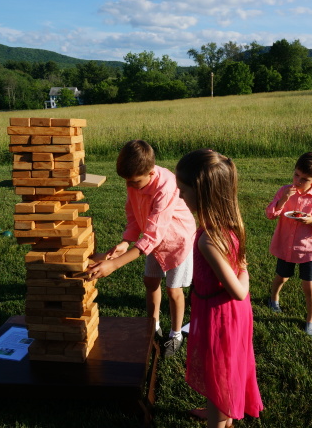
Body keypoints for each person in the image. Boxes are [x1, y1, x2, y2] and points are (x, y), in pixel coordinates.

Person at [176, 149, 263, 428]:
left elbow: (238, 290)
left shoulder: (208, 240)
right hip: (227, 311)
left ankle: (219, 417)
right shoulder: (228, 224)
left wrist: (244, 271)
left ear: (201, 193)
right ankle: (222, 413)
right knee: (225, 370)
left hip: (220, 316)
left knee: (218, 376)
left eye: (183, 190)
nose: (179, 196)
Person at [88, 140, 196, 357]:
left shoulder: (166, 186)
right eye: (127, 181)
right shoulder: (134, 182)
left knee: (174, 290)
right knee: (150, 281)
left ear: (150, 171)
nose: (130, 186)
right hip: (152, 242)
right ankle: (152, 324)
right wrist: (126, 241)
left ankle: (176, 334)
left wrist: (115, 264)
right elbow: (134, 215)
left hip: (178, 241)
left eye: (135, 181)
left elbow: (154, 234)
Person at [265, 152, 312, 336]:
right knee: (282, 277)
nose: (298, 181)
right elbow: (270, 214)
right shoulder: (284, 190)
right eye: (296, 175)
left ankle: (311, 319)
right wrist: (283, 199)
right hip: (286, 244)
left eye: (304, 179)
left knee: (308, 284)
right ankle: (273, 298)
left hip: (308, 248)